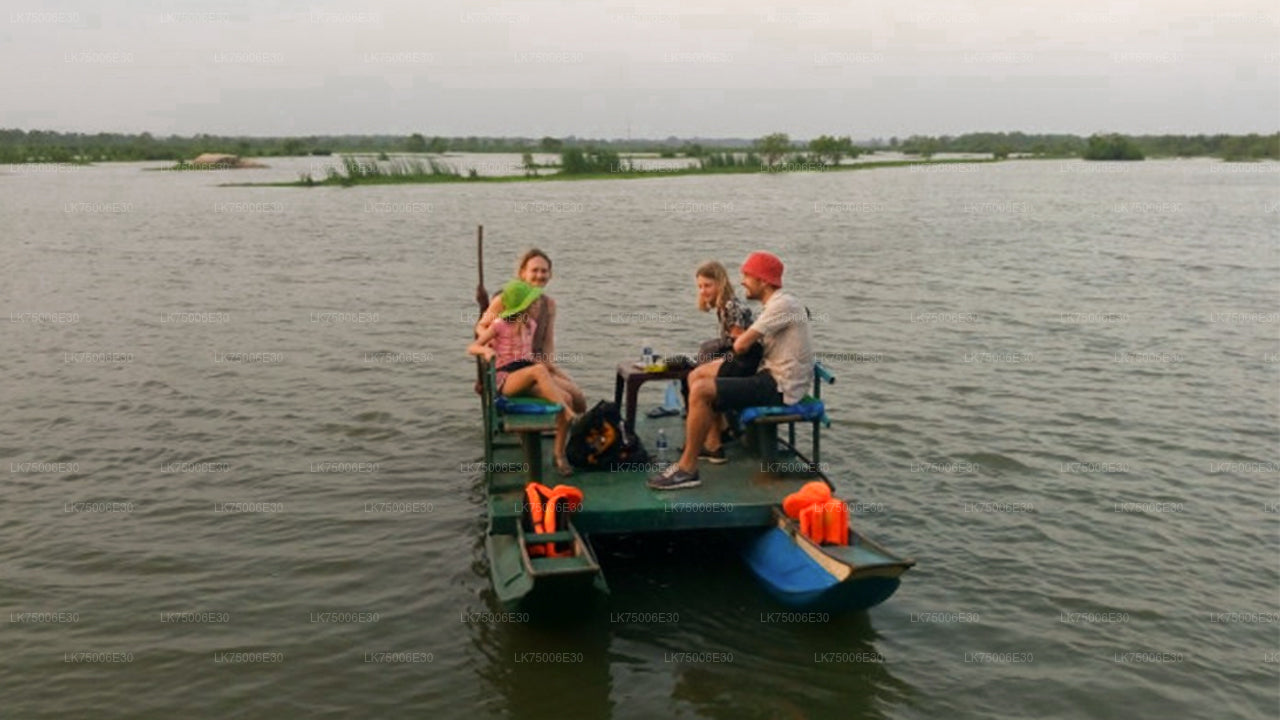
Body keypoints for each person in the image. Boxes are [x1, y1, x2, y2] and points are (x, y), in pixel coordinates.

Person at [648, 251, 813, 490]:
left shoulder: (783, 305)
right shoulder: (777, 304)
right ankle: (711, 444)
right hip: (769, 375)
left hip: (780, 386)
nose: (743, 281)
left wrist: (725, 358)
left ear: (763, 281)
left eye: (747, 276)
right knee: (698, 376)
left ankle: (687, 469)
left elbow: (741, 344)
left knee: (702, 390)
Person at [470, 280, 577, 477]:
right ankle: (568, 411)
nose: (537, 306)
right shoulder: (500, 325)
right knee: (538, 371)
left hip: (525, 373)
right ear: (522, 306)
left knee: (566, 395)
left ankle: (559, 454)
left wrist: (552, 368)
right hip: (507, 379)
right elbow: (473, 347)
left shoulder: (531, 325)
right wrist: (486, 351)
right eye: (533, 304)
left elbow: (527, 356)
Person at [477, 249, 587, 414]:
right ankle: (555, 433)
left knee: (579, 398)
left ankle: (573, 435)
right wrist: (488, 347)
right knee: (566, 399)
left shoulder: (548, 304)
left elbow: (547, 342)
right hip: (511, 368)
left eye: (544, 271)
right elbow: (481, 326)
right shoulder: (506, 299)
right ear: (523, 273)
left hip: (535, 363)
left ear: (550, 275)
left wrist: (551, 367)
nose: (539, 275)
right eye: (534, 270)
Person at [682, 261, 759, 463]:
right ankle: (715, 436)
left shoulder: (730, 306)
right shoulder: (724, 305)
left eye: (708, 285)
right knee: (700, 369)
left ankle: (713, 441)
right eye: (700, 286)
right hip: (741, 357)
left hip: (745, 361)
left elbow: (740, 344)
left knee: (696, 377)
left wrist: (716, 361)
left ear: (720, 283)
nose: (703, 291)